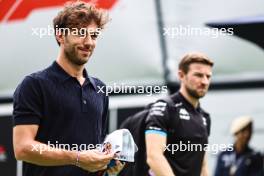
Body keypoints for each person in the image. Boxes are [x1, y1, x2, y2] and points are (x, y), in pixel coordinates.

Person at [12, 1, 124, 176]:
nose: (88, 42)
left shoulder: (100, 89)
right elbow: (22, 148)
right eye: (80, 33)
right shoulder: (34, 85)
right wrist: (77, 157)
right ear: (60, 36)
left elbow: (95, 153)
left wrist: (106, 166)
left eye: (94, 36)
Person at [145, 52, 214, 176]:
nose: (204, 81)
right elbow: (154, 156)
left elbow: (202, 164)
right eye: (198, 75)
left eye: (208, 76)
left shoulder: (205, 117)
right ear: (181, 75)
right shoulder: (164, 107)